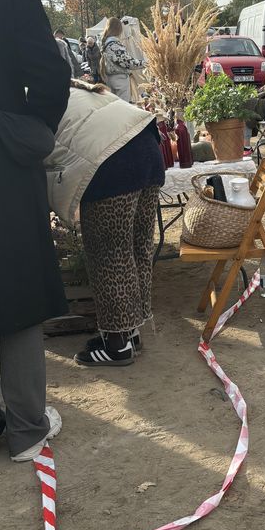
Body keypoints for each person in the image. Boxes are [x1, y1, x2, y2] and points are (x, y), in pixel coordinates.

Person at [0, 0, 70, 462]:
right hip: (2, 157)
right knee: (15, 281)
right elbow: (49, 73)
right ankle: (26, 429)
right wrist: (26, 130)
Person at [45, 82, 165, 367]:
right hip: (147, 148)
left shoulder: (32, 101)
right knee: (137, 249)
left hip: (112, 165)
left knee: (109, 255)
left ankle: (116, 345)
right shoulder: (76, 87)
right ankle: (131, 332)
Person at [100, 17, 144, 102]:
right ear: (118, 29)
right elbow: (127, 62)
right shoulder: (114, 44)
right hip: (119, 80)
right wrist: (145, 63)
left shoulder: (105, 42)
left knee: (115, 105)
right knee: (122, 106)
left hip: (111, 78)